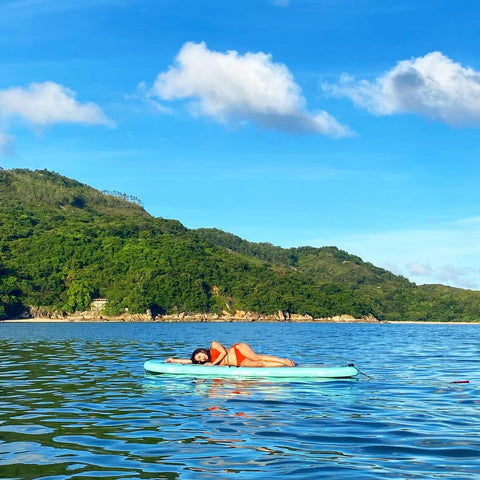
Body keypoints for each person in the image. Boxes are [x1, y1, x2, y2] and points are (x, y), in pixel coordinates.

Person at [166, 341, 295, 367]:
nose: (201, 359)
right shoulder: (206, 362)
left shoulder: (213, 345)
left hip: (238, 349)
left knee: (256, 357)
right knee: (260, 364)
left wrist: (213, 364)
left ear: (201, 351)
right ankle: (282, 366)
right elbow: (190, 361)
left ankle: (284, 361)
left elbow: (222, 353)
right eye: (200, 360)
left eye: (200, 356)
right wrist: (173, 360)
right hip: (238, 362)